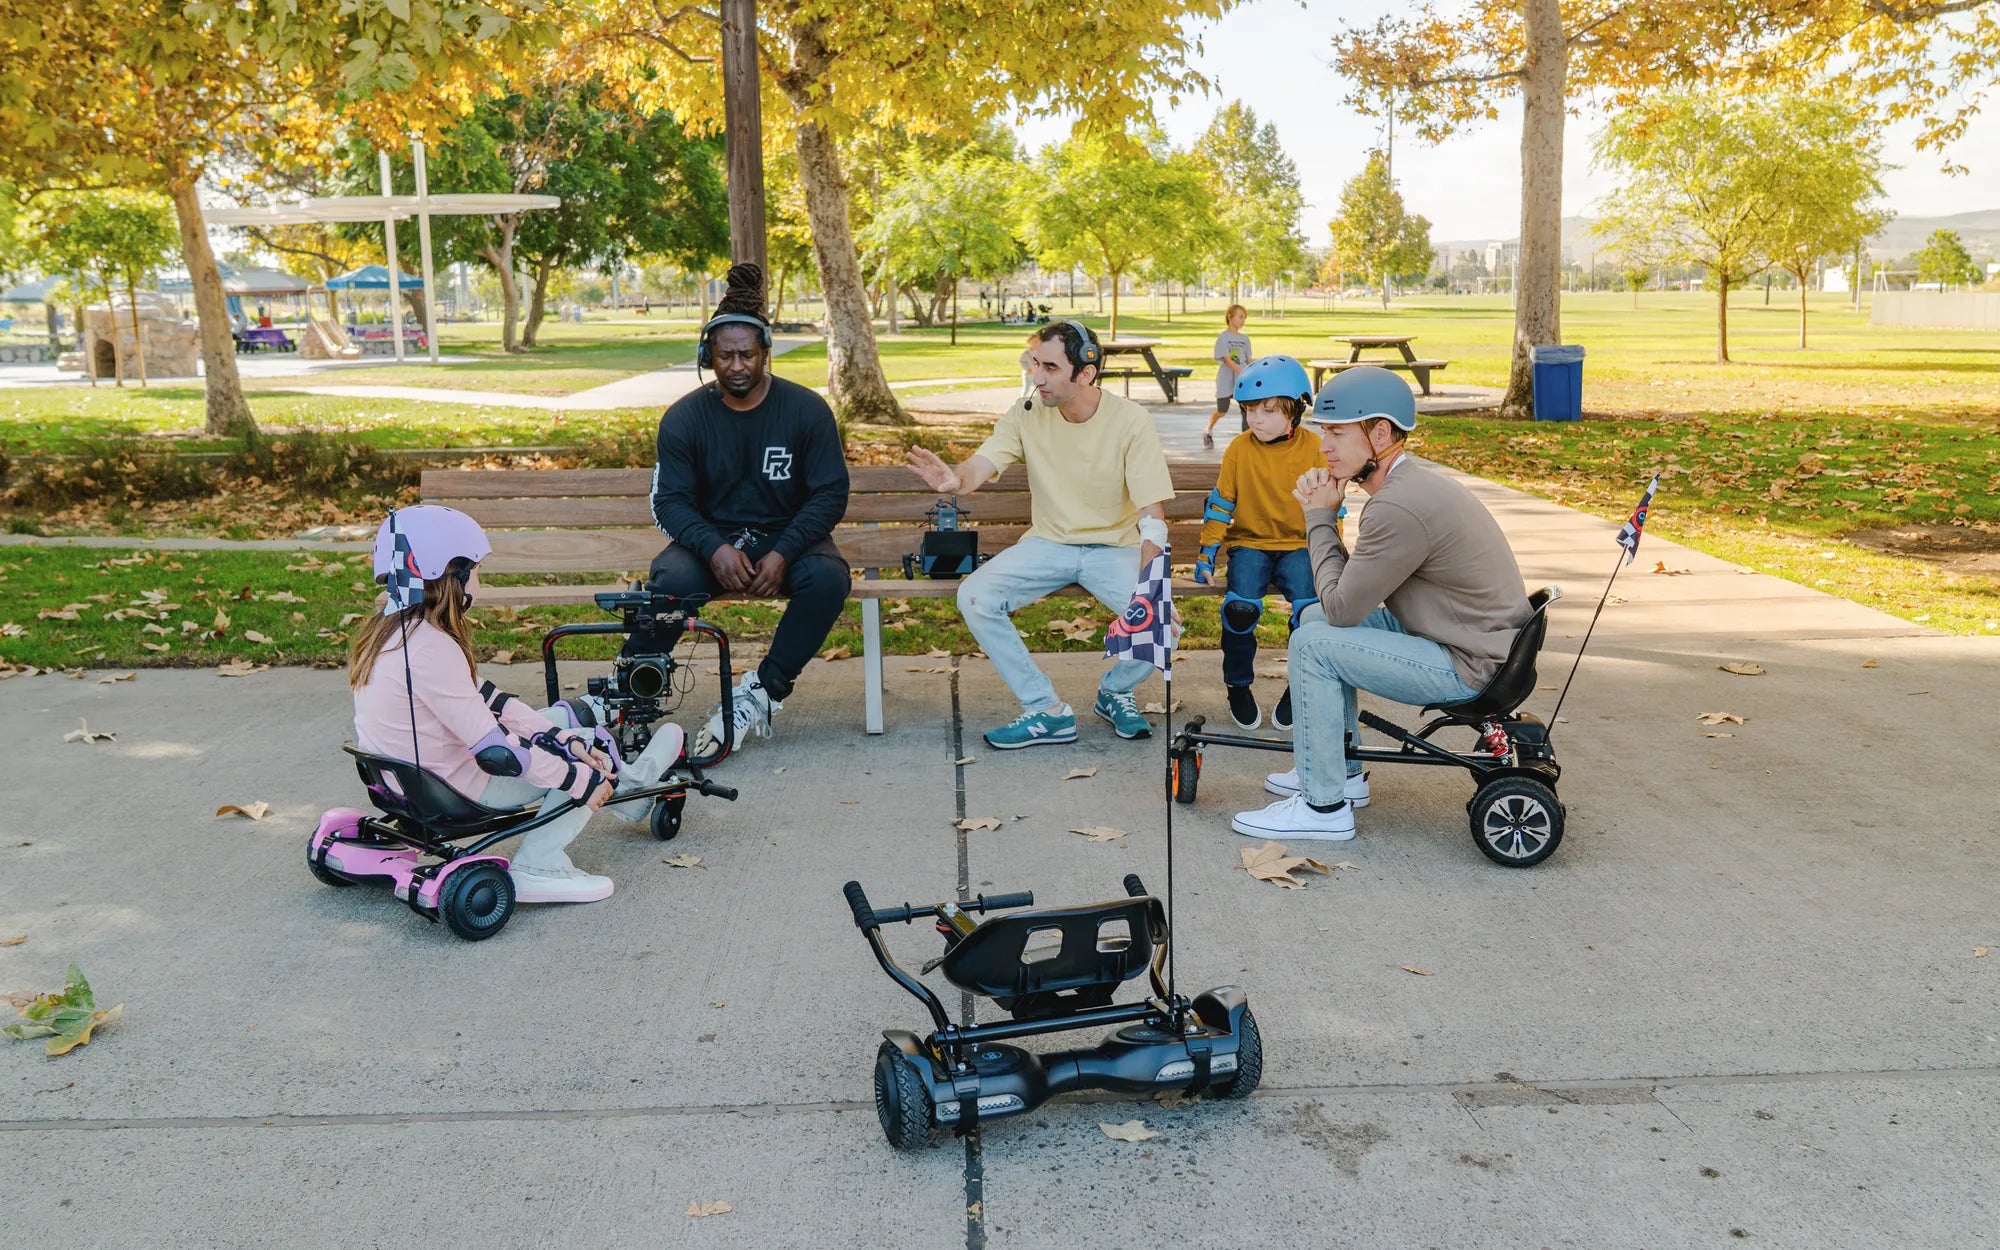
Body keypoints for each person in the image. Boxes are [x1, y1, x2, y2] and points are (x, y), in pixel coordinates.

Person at [1228, 366, 1532, 841]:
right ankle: (1343, 772)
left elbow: (1342, 609)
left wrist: (1319, 518)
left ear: (1381, 433)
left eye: (1337, 432)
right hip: (1464, 637)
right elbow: (1343, 596)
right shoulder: (1405, 489)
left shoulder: (1396, 506)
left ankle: (1322, 808)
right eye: (1323, 432)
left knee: (1313, 643)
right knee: (1309, 617)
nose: (1324, 445)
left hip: (1468, 663)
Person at [351, 505, 687, 903]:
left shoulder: (388, 636)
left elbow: (495, 703)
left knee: (569, 731)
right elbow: (497, 755)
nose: (481, 580)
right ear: (451, 573)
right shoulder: (434, 650)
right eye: (476, 570)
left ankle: (632, 786)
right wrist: (577, 775)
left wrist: (561, 736)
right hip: (458, 790)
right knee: (591, 755)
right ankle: (539, 862)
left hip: (410, 783)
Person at [907, 320, 1175, 749]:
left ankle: (1115, 692)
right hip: (1048, 543)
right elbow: (982, 464)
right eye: (1035, 364)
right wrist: (955, 479)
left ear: (1085, 372)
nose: (1037, 377)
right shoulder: (1026, 413)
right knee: (974, 596)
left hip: (1114, 547)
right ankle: (1045, 710)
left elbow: (1152, 516)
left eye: (1050, 367)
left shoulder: (1130, 421)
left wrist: (1150, 587)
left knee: (1162, 623)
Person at [646, 262, 851, 757]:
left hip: (789, 538)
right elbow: (669, 500)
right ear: (708, 357)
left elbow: (829, 495)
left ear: (765, 354)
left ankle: (761, 692)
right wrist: (713, 547)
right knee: (670, 578)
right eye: (724, 356)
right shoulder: (685, 418)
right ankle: (634, 688)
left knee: (828, 579)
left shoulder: (805, 411)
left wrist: (783, 552)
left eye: (746, 354)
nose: (736, 365)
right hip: (712, 543)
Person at [1191, 355, 1329, 731]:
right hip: (1250, 543)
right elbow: (1220, 505)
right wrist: (1207, 554)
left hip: (1298, 545)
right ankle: (1238, 685)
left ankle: (1299, 687)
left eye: (1268, 410)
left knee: (1309, 615)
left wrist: (1330, 556)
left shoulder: (1315, 447)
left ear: (1295, 410)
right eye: (1251, 409)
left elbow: (1330, 508)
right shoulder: (1239, 449)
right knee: (1240, 611)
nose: (1256, 419)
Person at [1202, 304, 1251, 450]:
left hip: (1242, 380)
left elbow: (1248, 360)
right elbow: (1227, 359)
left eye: (1244, 318)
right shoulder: (1223, 337)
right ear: (1230, 317)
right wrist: (1240, 371)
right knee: (1222, 410)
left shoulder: (1245, 339)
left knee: (1246, 409)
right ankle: (1208, 430)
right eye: (1240, 317)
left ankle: (1247, 439)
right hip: (1226, 379)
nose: (1243, 320)